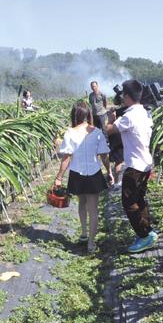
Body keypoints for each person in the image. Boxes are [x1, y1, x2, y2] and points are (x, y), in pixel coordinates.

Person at [55, 101, 114, 253]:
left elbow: (66, 158)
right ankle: (91, 244)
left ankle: (83, 233)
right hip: (94, 173)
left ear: (74, 115)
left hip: (77, 173)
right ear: (88, 114)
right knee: (93, 209)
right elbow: (103, 155)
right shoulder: (96, 132)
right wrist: (109, 171)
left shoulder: (70, 132)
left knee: (82, 202)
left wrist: (59, 177)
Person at [106, 79, 156, 253]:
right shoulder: (144, 112)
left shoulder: (129, 117)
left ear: (126, 96)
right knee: (139, 199)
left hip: (134, 166)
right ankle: (147, 231)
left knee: (129, 203)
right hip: (146, 163)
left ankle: (144, 236)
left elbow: (109, 130)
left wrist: (111, 119)